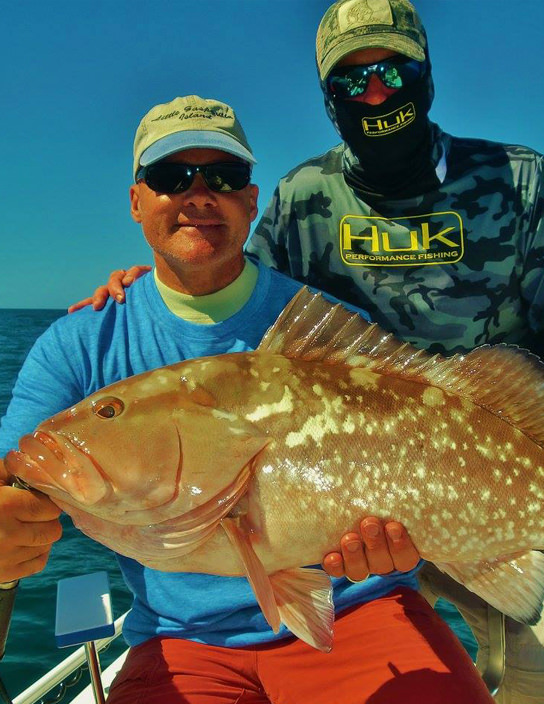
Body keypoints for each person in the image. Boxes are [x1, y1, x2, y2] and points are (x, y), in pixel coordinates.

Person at [72, 2, 544, 701]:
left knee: (527, 671)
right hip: (357, 491)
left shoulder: (521, 180)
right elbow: (249, 309)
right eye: (352, 83)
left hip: (488, 467)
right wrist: (161, 277)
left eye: (392, 71)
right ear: (330, 100)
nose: (377, 93)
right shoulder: (302, 196)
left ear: (426, 74)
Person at [0, 95, 495, 703]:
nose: (198, 193)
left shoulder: (327, 327)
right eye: (170, 177)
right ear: (136, 201)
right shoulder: (77, 346)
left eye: (225, 177)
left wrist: (393, 553)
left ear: (252, 202)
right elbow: (11, 476)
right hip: (182, 640)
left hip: (359, 610)